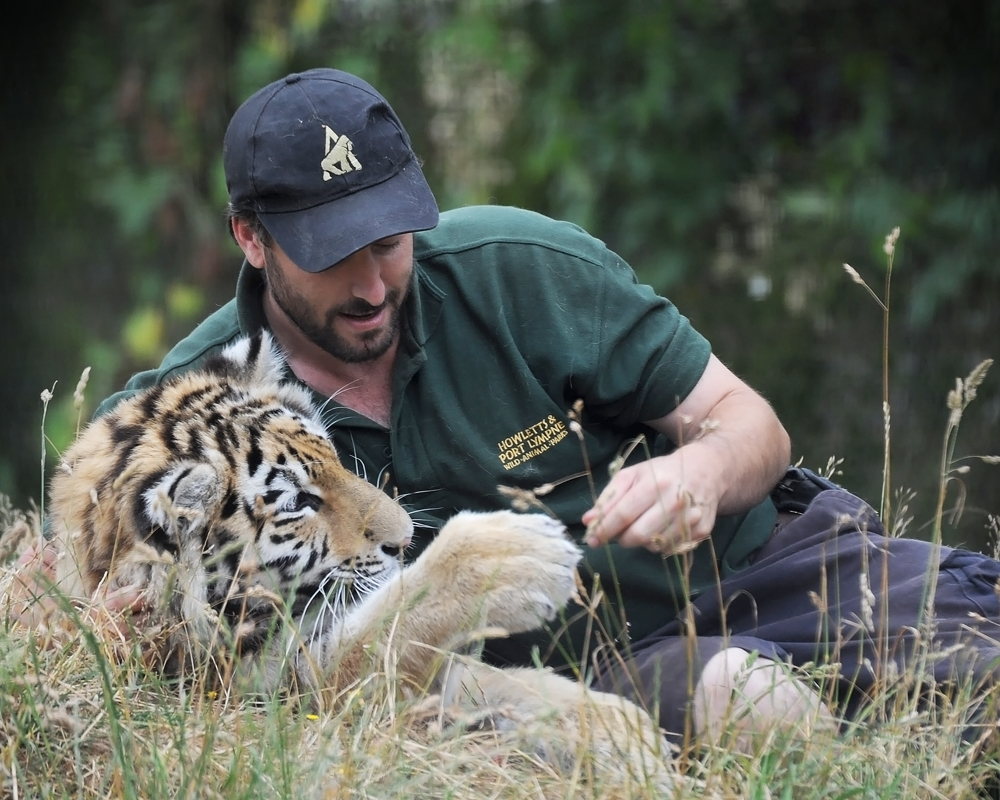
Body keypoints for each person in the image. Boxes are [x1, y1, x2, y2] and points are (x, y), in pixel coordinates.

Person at [12, 68, 1000, 749]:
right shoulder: (188, 421)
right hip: (601, 665)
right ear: (251, 237)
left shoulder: (515, 264)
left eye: (389, 239)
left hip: (776, 561)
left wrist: (696, 471)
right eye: (332, 251)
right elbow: (124, 634)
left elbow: (749, 424)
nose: (370, 283)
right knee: (754, 708)